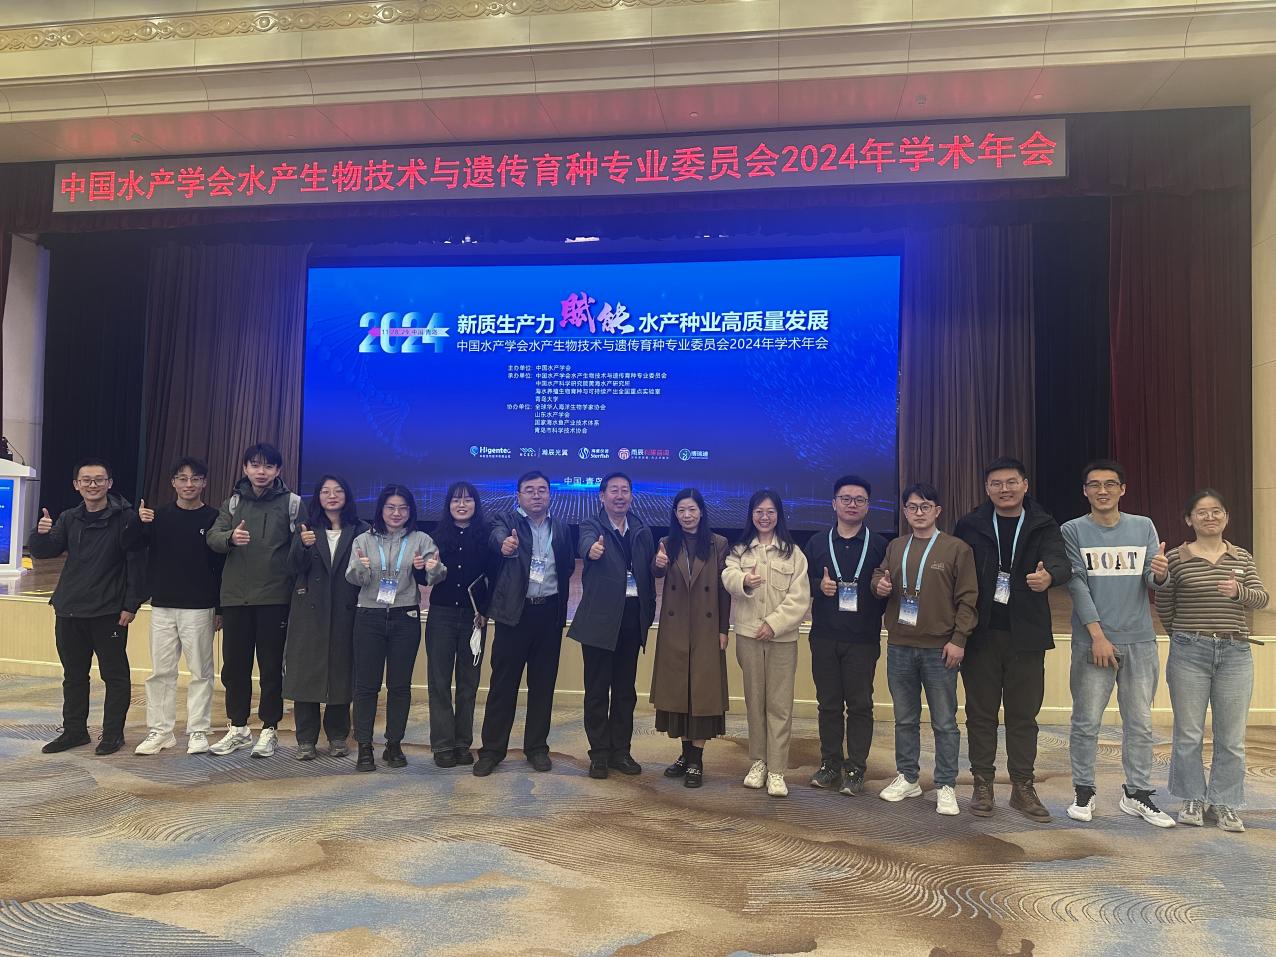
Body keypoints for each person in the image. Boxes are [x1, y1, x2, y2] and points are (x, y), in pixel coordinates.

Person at [955, 457, 1070, 822]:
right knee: (980, 715)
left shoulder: (1043, 524)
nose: (1004, 489)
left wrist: (1049, 577)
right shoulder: (970, 525)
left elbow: (1061, 563)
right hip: (981, 635)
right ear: (987, 488)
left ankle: (1023, 786)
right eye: (996, 483)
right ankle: (983, 784)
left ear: (1025, 484)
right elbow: (956, 571)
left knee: (1023, 716)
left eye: (1011, 482)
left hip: (1027, 636)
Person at [1062, 460, 1174, 827]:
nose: (1103, 490)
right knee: (1086, 722)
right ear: (1085, 491)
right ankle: (1084, 790)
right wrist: (1097, 636)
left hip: (1139, 641)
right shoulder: (1072, 530)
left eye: (1110, 484)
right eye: (1094, 484)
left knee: (1140, 723)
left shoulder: (1143, 526)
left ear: (1123, 489)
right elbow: (1077, 584)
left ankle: (1136, 793)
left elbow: (1151, 581)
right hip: (1092, 643)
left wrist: (1161, 575)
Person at [1157, 489, 1268, 833]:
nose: (1210, 517)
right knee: (1188, 732)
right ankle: (1192, 798)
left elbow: (1262, 598)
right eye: (1201, 512)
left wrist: (1239, 593)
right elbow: (1165, 605)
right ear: (1188, 519)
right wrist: (1184, 635)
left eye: (1216, 511)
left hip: (1235, 653)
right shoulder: (1176, 557)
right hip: (1189, 651)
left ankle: (1225, 802)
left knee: (1231, 737)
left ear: (1226, 517)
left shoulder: (1241, 557)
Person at [870, 483, 977, 817]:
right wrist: (879, 585)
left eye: (925, 506)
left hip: (940, 649)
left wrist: (959, 640)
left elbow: (968, 599)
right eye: (912, 507)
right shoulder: (895, 546)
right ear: (904, 512)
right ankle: (908, 777)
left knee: (944, 722)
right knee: (905, 719)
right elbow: (878, 577)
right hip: (900, 645)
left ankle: (946, 784)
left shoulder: (956, 548)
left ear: (937, 511)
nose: (919, 512)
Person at [29, 458, 146, 756]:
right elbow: (45, 552)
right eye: (86, 480)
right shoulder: (70, 517)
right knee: (74, 676)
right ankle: (74, 731)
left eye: (99, 480)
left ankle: (113, 735)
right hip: (69, 609)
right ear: (76, 485)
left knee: (115, 677)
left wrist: (131, 604)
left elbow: (137, 563)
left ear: (109, 483)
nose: (92, 485)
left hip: (109, 611)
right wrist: (40, 534)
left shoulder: (126, 517)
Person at [473, 471, 576, 777]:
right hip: (514, 615)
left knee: (543, 686)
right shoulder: (505, 521)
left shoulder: (561, 527)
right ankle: (492, 751)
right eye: (529, 490)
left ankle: (537, 748)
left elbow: (567, 566)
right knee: (503, 686)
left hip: (548, 614)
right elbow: (496, 538)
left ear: (550, 495)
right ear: (518, 495)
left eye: (542, 490)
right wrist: (504, 545)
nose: (536, 495)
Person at [206, 443, 302, 758]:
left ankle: (269, 729)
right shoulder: (233, 503)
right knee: (235, 667)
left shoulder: (292, 503)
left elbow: (300, 548)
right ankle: (238, 728)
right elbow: (213, 537)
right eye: (255, 465)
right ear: (245, 468)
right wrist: (230, 538)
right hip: (236, 597)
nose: (261, 472)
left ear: (278, 470)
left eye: (268, 466)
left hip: (275, 597)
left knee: (271, 667)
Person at [346, 485, 446, 771]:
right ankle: (365, 746)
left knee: (400, 686)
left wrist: (430, 567)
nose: (396, 513)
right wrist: (362, 567)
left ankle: (394, 744)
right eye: (390, 507)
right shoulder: (363, 540)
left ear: (410, 511)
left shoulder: (421, 539)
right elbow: (353, 578)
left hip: (406, 617)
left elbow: (437, 575)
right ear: (381, 510)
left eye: (403, 508)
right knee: (366, 686)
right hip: (369, 616)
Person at [802, 474, 888, 796]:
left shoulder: (879, 545)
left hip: (863, 639)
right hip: (824, 636)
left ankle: (855, 768)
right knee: (828, 705)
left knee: (860, 705)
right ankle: (830, 764)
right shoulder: (816, 543)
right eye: (846, 499)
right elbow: (801, 583)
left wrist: (883, 589)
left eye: (859, 500)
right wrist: (818, 586)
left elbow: (886, 586)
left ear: (867, 506)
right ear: (834, 503)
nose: (852, 505)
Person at [723, 490, 811, 798]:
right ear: (751, 515)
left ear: (779, 515)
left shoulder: (793, 553)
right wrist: (743, 581)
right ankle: (758, 762)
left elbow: (799, 598)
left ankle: (777, 770)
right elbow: (727, 575)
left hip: (781, 639)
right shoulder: (739, 550)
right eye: (759, 511)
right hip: (748, 637)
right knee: (755, 702)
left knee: (779, 704)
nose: (764, 517)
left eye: (770, 512)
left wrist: (773, 624)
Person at [134, 457, 225, 756]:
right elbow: (133, 546)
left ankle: (198, 730)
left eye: (195, 479)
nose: (189, 484)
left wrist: (220, 608)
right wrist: (140, 523)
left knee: (201, 672)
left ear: (204, 483)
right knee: (161, 672)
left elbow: (221, 565)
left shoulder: (214, 518)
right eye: (183, 479)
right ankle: (160, 731)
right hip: (162, 604)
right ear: (173, 482)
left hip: (200, 606)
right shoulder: (157, 516)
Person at [569, 472, 657, 779]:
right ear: (602, 496)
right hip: (599, 622)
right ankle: (599, 754)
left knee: (624, 692)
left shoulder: (642, 530)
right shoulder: (591, 526)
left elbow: (649, 573)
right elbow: (585, 544)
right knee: (596, 692)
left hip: (631, 621)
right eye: (614, 491)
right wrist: (591, 550)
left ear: (631, 495)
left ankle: (621, 752)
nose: (620, 496)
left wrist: (659, 569)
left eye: (625, 491)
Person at [650, 489, 731, 788]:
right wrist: (658, 565)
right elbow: (656, 573)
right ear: (675, 513)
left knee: (703, 693)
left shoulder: (718, 543)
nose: (687, 515)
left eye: (692, 509)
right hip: (675, 628)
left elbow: (723, 589)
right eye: (682, 510)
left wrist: (723, 629)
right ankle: (685, 755)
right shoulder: (666, 542)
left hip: (706, 628)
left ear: (701, 512)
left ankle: (696, 759)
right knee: (679, 693)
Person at [285, 475, 368, 760]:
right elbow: (292, 567)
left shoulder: (361, 530)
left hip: (346, 609)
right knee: (306, 673)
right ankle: (306, 739)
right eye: (325, 491)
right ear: (318, 497)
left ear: (347, 495)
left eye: (338, 491)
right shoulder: (306, 528)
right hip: (310, 610)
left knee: (341, 673)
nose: (332, 496)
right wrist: (302, 545)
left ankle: (337, 736)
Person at [425, 481, 492, 768]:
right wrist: (425, 569)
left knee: (468, 683)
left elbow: (494, 577)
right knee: (439, 682)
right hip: (440, 616)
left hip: (474, 618)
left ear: (476, 504)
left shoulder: (488, 537)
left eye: (467, 500)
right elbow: (423, 578)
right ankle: (442, 745)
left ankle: (463, 743)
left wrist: (485, 611)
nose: (461, 505)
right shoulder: (435, 537)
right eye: (456, 500)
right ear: (448, 504)